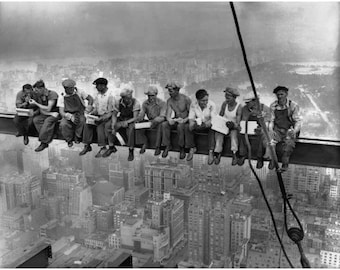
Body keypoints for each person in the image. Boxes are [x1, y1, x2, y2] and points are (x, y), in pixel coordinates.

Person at [268, 86, 302, 171]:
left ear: (286, 94)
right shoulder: (273, 106)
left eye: (282, 94)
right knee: (271, 143)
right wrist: (271, 130)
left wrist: (294, 131)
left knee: (288, 147)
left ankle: (285, 165)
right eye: (278, 95)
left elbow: (297, 121)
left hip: (289, 130)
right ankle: (273, 160)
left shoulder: (293, 105)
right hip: (278, 129)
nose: (280, 97)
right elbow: (271, 120)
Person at [79, 77, 114, 157]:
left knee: (100, 126)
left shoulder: (110, 96)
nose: (96, 88)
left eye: (97, 86)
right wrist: (90, 114)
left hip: (108, 117)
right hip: (99, 116)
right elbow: (96, 108)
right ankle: (87, 145)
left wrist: (101, 118)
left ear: (103, 86)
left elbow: (110, 112)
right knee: (87, 124)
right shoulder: (98, 95)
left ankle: (103, 147)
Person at [237, 92, 271, 169]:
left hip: (259, 130)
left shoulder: (265, 108)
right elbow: (242, 120)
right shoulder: (244, 109)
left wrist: (261, 127)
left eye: (248, 102)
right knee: (241, 134)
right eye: (247, 103)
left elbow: (268, 121)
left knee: (262, 136)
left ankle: (259, 158)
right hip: (247, 129)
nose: (247, 104)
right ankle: (242, 154)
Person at [161, 82, 194, 159]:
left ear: (177, 91)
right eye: (169, 91)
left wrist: (184, 120)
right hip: (177, 120)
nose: (169, 93)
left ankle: (181, 148)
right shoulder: (169, 101)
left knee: (180, 127)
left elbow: (192, 114)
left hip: (186, 121)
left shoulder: (186, 99)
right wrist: (170, 120)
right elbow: (168, 114)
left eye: (171, 91)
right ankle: (167, 145)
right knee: (164, 124)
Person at [58, 79, 94, 147]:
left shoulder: (79, 91)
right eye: (69, 89)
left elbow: (90, 99)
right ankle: (69, 140)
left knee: (82, 121)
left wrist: (89, 106)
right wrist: (69, 116)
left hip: (80, 112)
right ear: (65, 89)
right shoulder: (62, 96)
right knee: (63, 124)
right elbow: (61, 111)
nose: (72, 90)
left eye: (72, 88)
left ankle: (77, 137)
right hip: (68, 113)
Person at [110, 84, 141, 161]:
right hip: (122, 118)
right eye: (126, 98)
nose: (128, 100)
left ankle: (131, 149)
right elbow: (114, 114)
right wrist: (114, 124)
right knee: (111, 127)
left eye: (129, 98)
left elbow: (135, 117)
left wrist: (126, 122)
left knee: (131, 129)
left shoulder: (135, 102)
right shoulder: (118, 102)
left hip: (131, 120)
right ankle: (111, 146)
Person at [213, 87, 242, 165]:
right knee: (218, 134)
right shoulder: (224, 104)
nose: (227, 99)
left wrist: (233, 125)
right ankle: (217, 153)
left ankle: (234, 153)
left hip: (233, 127)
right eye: (226, 97)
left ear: (234, 98)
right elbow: (221, 115)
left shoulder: (239, 107)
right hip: (224, 125)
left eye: (228, 97)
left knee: (233, 135)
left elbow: (238, 123)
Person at [29, 80, 59, 152]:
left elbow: (48, 108)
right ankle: (48, 135)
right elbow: (42, 109)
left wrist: (36, 103)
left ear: (42, 89)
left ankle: (43, 142)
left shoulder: (52, 94)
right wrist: (49, 114)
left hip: (56, 113)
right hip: (47, 114)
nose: (36, 92)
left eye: (37, 90)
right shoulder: (39, 96)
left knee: (48, 121)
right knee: (36, 120)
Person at [188, 89, 217, 163]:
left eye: (206, 100)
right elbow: (191, 117)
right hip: (199, 124)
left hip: (208, 125)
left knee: (212, 129)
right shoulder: (193, 105)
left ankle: (211, 151)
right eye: (203, 101)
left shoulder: (212, 105)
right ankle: (192, 148)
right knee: (188, 128)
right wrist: (192, 124)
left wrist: (207, 123)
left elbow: (213, 118)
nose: (205, 102)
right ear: (198, 100)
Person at [136, 85, 166, 156]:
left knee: (160, 125)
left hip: (159, 121)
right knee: (138, 125)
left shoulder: (162, 103)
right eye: (149, 96)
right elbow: (142, 114)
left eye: (152, 95)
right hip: (150, 121)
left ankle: (157, 147)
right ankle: (144, 142)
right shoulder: (145, 103)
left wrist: (155, 121)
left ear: (156, 95)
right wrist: (139, 118)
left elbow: (162, 116)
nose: (150, 97)